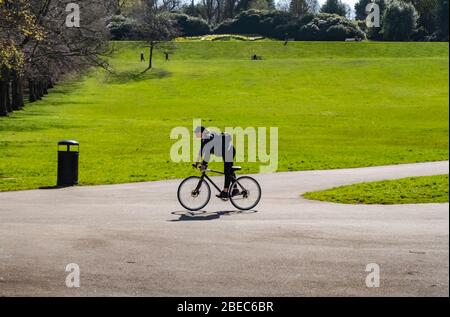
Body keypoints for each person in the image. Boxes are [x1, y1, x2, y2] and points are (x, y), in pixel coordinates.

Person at [194, 126, 238, 199]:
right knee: (230, 171)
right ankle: (235, 189)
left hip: (229, 151)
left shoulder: (208, 138)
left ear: (201, 133)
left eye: (196, 133)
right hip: (226, 152)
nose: (195, 135)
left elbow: (207, 153)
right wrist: (196, 163)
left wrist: (204, 164)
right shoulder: (203, 139)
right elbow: (201, 152)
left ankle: (225, 191)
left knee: (227, 171)